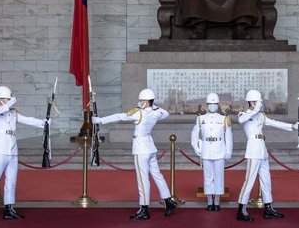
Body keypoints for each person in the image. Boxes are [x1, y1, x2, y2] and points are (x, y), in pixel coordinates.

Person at [92, 88, 177, 220]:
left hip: (141, 149)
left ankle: (144, 209)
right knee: (157, 176)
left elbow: (119, 116)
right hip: (150, 147)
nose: (139, 102)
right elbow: (166, 113)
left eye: (141, 100)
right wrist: (153, 106)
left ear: (146, 101)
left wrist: (100, 120)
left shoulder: (139, 113)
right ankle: (168, 201)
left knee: (143, 180)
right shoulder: (157, 112)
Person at [0, 85, 49, 223]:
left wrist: (44, 123)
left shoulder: (13, 113)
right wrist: (7, 105)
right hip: (0, 149)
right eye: (5, 98)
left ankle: (9, 209)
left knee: (11, 181)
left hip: (12, 149)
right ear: (0, 98)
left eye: (9, 97)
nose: (8, 99)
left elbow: (28, 119)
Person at [236, 89, 299, 221]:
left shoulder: (261, 116)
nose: (261, 104)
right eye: (258, 102)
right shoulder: (244, 114)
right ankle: (241, 210)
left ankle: (269, 208)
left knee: (266, 180)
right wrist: (254, 111)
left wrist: (293, 126)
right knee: (249, 181)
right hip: (253, 149)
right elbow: (241, 120)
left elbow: (275, 123)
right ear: (252, 102)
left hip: (262, 149)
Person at [191, 92, 233, 211]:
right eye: (210, 104)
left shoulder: (224, 119)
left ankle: (217, 201)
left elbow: (228, 136)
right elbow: (194, 135)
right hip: (206, 149)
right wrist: (196, 147)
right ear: (207, 105)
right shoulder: (200, 118)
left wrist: (228, 151)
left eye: (214, 104)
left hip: (219, 148)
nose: (212, 106)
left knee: (219, 176)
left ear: (218, 105)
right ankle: (209, 201)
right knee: (208, 176)